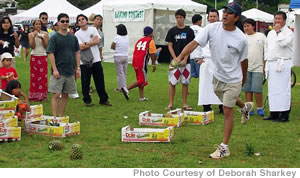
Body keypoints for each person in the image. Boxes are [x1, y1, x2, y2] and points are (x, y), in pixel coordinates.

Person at [175, 2, 253, 159]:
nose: (225, 14)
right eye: (224, 11)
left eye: (230, 13)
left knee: (227, 109)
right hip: (217, 76)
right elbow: (194, 43)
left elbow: (244, 61)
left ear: (236, 18)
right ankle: (244, 107)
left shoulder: (241, 39)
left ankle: (224, 147)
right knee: (226, 100)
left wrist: (243, 79)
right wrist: (180, 57)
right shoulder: (212, 28)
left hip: (233, 79)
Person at [47, 13, 80, 117]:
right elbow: (51, 53)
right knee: (56, 94)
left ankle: (60, 117)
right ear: (58, 23)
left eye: (67, 21)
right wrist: (55, 69)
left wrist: (77, 68)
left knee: (65, 95)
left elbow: (77, 52)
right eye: (62, 21)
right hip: (58, 70)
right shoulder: (54, 37)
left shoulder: (73, 38)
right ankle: (54, 117)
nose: (65, 23)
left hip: (70, 70)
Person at [75, 14, 111, 107]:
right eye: (79, 20)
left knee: (100, 81)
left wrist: (86, 43)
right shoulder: (77, 34)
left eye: (83, 19)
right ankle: (87, 100)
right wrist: (91, 42)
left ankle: (103, 99)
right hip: (84, 60)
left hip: (96, 59)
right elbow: (80, 47)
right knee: (85, 82)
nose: (81, 21)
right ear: (78, 23)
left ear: (86, 20)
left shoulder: (93, 29)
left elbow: (97, 41)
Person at [263, 11, 293, 122]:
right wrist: (266, 62)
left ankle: (284, 114)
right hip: (271, 63)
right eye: (276, 19)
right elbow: (267, 48)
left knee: (283, 90)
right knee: (272, 89)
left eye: (279, 19)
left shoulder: (288, 33)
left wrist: (279, 32)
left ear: (284, 20)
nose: (277, 21)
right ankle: (274, 113)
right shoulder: (270, 34)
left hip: (283, 63)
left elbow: (283, 44)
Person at [165, 9, 195, 110]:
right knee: (172, 82)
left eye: (180, 18)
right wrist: (175, 59)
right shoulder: (172, 31)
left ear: (184, 18)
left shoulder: (189, 31)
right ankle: (171, 103)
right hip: (174, 62)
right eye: (177, 18)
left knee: (185, 82)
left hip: (186, 62)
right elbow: (170, 46)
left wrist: (185, 58)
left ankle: (184, 103)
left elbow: (191, 46)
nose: (179, 20)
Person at [197, 9, 223, 113]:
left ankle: (222, 105)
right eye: (210, 16)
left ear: (218, 17)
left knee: (220, 83)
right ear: (208, 18)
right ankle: (206, 105)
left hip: (219, 61)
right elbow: (197, 44)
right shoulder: (203, 30)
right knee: (206, 84)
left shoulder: (223, 30)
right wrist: (198, 57)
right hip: (206, 60)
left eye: (214, 16)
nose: (212, 18)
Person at [121, 26, 157, 101]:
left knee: (140, 79)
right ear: (150, 33)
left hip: (135, 61)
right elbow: (152, 53)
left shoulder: (139, 40)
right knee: (142, 80)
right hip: (142, 62)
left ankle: (141, 97)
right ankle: (126, 89)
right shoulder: (151, 41)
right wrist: (154, 64)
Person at [242, 18, 266, 117]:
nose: (246, 28)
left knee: (257, 89)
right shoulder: (243, 38)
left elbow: (267, 51)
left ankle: (260, 108)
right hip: (246, 67)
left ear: (253, 26)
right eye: (244, 26)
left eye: (248, 26)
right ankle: (249, 108)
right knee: (247, 89)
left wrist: (265, 64)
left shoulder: (261, 36)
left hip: (258, 67)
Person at [28, 19, 49, 102]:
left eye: (39, 24)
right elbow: (32, 46)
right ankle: (34, 95)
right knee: (34, 76)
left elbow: (46, 46)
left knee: (43, 76)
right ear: (33, 26)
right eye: (36, 24)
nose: (38, 26)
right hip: (34, 56)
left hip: (42, 55)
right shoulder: (30, 34)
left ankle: (42, 95)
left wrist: (42, 38)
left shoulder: (45, 34)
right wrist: (34, 37)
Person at [111, 24, 129, 93]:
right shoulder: (127, 37)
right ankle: (124, 86)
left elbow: (112, 46)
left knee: (120, 73)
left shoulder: (116, 37)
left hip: (118, 55)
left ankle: (121, 88)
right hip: (125, 56)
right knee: (124, 72)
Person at [190, 14, 203, 78]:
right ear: (198, 21)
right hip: (199, 55)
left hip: (190, 56)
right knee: (201, 76)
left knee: (190, 76)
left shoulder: (188, 29)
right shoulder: (202, 30)